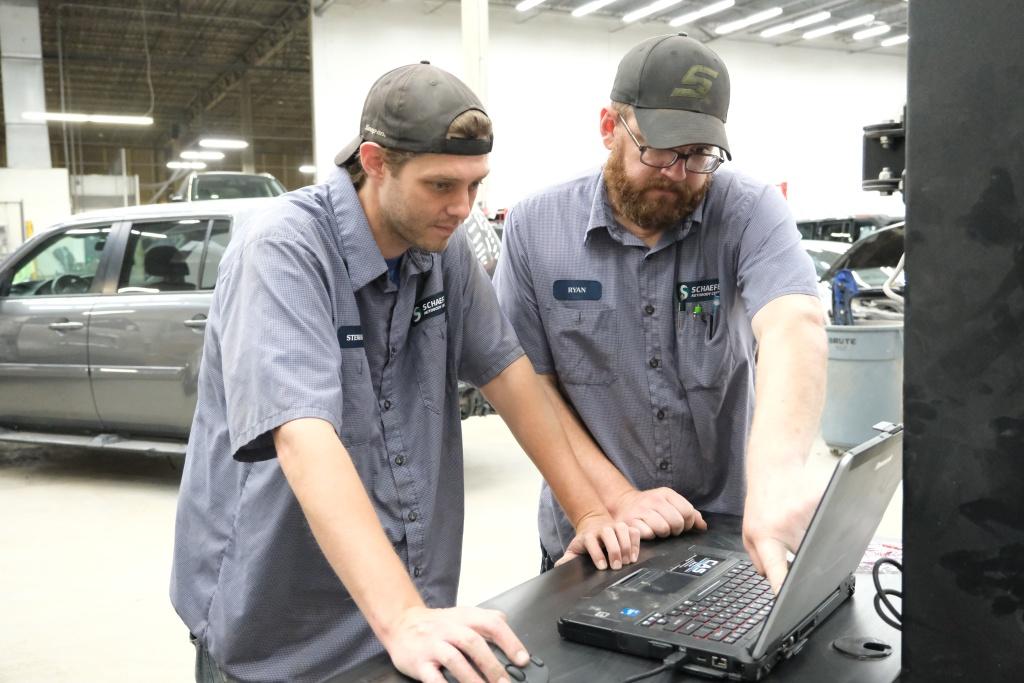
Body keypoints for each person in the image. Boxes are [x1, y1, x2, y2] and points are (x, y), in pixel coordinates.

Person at [170, 62, 638, 683]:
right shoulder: (284, 249)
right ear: (375, 161)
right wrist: (402, 619)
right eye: (442, 185)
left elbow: (510, 375)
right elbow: (304, 438)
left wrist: (589, 513)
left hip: (402, 616)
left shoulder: (439, 253)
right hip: (278, 628)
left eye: (475, 185)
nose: (462, 207)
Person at [492, 34, 827, 594]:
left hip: (725, 532)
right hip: (596, 535)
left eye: (698, 154)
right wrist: (614, 501)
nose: (677, 172)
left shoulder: (748, 210)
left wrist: (776, 481)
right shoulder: (535, 228)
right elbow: (531, 388)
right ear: (609, 127)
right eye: (659, 149)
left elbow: (794, 323)